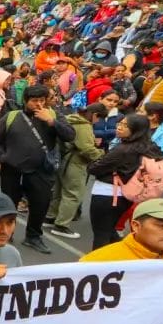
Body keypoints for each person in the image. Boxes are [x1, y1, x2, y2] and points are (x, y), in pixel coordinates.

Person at [0, 85, 75, 254]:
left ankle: (33, 236)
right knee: (9, 204)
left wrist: (51, 121)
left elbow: (70, 135)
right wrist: (4, 158)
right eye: (34, 101)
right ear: (26, 101)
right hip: (12, 170)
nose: (39, 104)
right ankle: (7, 235)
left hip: (41, 171)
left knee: (40, 204)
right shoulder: (12, 117)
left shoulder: (54, 116)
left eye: (42, 100)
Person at [87, 113, 163, 249]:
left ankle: (96, 266)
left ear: (135, 130)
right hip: (128, 196)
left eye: (124, 126)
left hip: (107, 194)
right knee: (110, 230)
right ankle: (122, 257)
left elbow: (94, 168)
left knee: (101, 234)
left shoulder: (122, 150)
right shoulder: (151, 148)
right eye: (119, 124)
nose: (119, 128)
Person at [47, 102, 106, 239]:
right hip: (76, 163)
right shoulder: (84, 126)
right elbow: (86, 149)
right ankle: (61, 225)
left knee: (59, 191)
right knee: (73, 194)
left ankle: (51, 217)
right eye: (99, 119)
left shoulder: (70, 119)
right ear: (95, 115)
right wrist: (102, 153)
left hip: (63, 159)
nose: (98, 122)